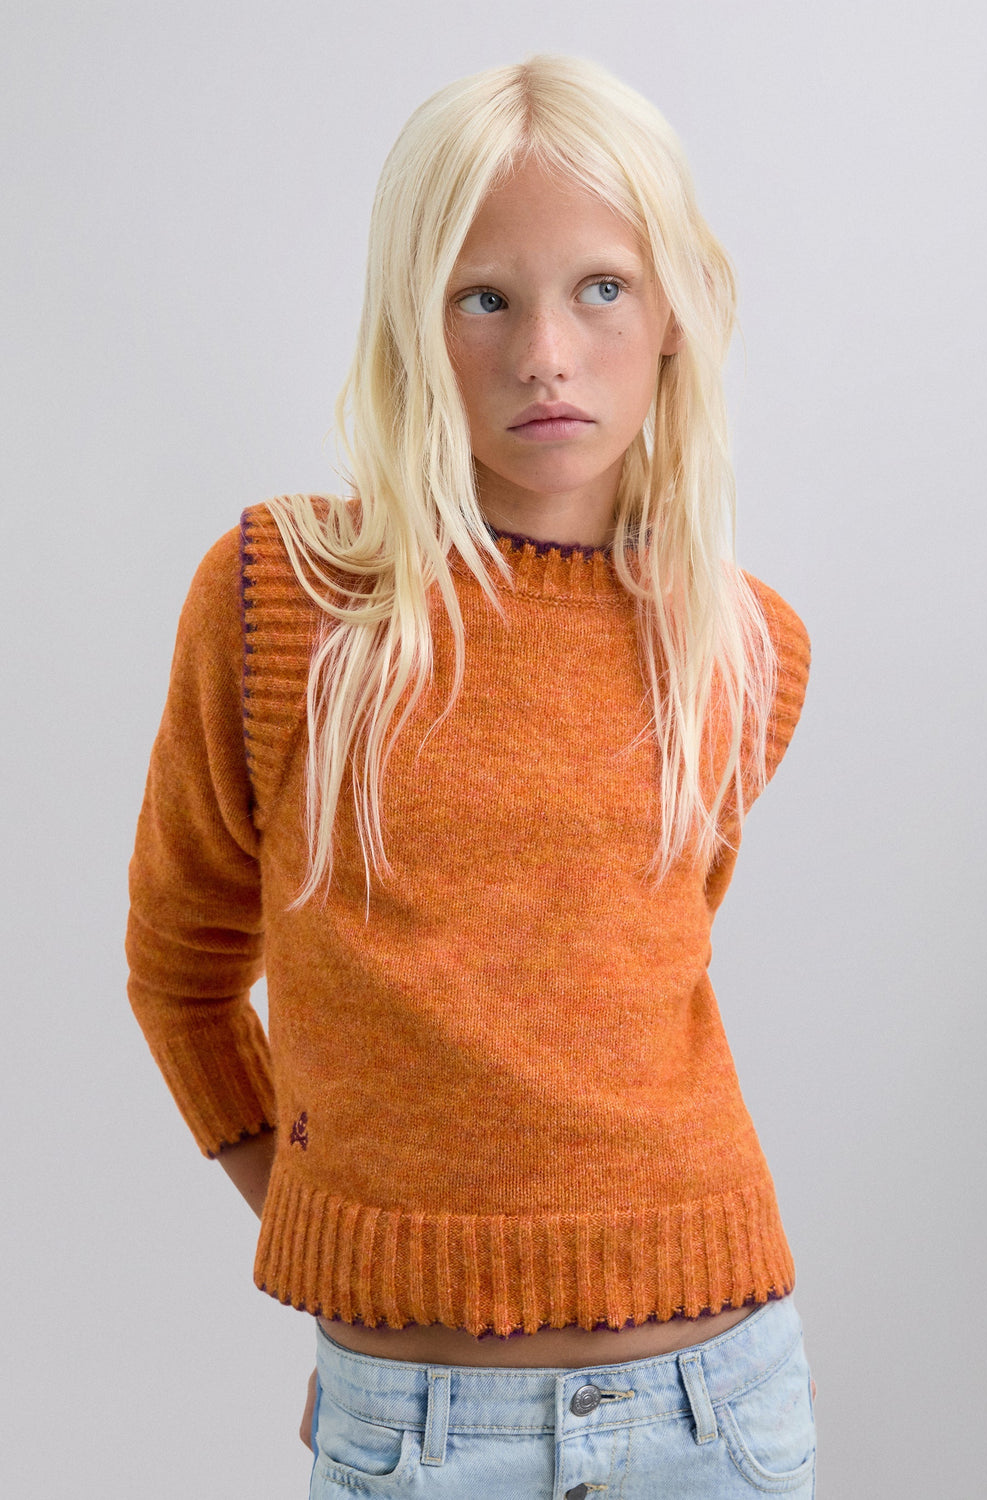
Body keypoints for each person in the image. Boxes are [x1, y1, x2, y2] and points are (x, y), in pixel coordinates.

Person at [126, 53, 817, 1498]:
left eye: (602, 288)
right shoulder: (284, 600)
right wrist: (346, 1241)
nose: (546, 354)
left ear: (676, 311)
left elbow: (621, 983)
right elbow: (180, 975)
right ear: (410, 324)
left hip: (721, 1407)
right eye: (482, 297)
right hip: (415, 1426)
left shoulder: (741, 645)